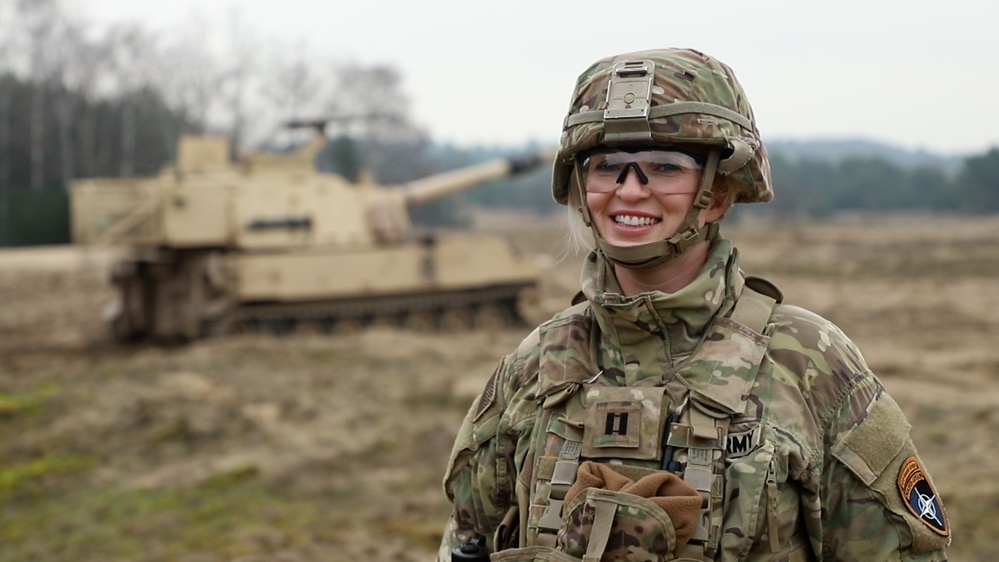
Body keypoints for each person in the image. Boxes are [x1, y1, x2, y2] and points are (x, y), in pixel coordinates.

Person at [437, 48, 950, 562]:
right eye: (608, 166)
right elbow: (465, 539)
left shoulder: (810, 361)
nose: (630, 190)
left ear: (719, 193)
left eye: (664, 167)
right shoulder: (537, 364)